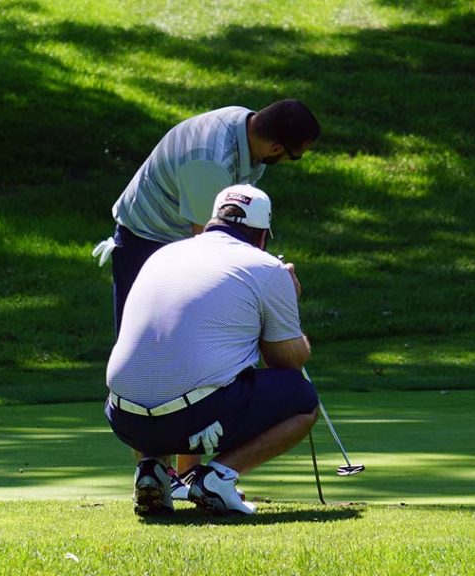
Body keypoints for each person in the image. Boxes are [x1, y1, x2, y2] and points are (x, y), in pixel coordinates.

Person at [93, 98, 320, 488]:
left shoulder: (242, 130)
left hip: (178, 241)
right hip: (146, 240)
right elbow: (210, 248)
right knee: (162, 354)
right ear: (277, 148)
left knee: (193, 350)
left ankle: (171, 478)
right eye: (292, 157)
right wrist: (268, 289)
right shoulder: (209, 162)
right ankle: (175, 478)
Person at [105, 184, 318, 517]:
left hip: (123, 417)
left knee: (159, 373)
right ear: (262, 235)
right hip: (191, 417)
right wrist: (289, 300)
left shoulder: (164, 254)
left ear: (212, 222)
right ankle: (218, 478)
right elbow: (287, 360)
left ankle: (153, 470)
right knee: (302, 399)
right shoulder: (266, 267)